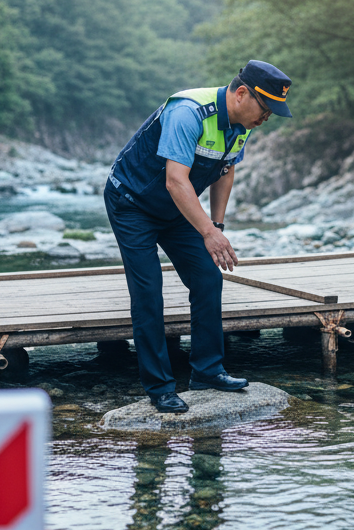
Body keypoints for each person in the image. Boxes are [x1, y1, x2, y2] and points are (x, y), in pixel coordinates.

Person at [104, 61, 293, 413]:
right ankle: (160, 387)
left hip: (177, 208)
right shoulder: (188, 113)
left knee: (208, 278)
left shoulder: (243, 123)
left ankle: (207, 371)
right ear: (241, 94)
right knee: (148, 291)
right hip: (132, 203)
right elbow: (176, 180)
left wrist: (216, 228)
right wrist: (206, 231)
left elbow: (225, 170)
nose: (266, 118)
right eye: (265, 109)